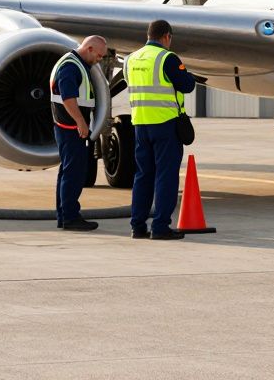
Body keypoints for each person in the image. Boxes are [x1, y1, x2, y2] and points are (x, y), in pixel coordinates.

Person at [126, 19, 198, 240]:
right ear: (167, 36)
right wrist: (189, 74)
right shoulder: (167, 58)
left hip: (140, 124)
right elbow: (187, 85)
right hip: (165, 125)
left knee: (142, 175)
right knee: (165, 176)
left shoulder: (131, 59)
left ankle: (137, 226)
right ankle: (160, 227)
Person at [50, 35, 109, 232]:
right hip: (71, 129)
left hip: (67, 127)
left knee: (67, 172)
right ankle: (71, 217)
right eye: (99, 56)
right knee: (74, 174)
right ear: (90, 48)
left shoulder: (74, 63)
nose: (99, 60)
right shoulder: (71, 67)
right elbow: (68, 98)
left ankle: (64, 215)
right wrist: (81, 122)